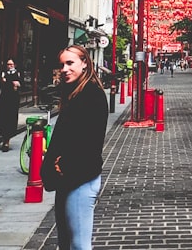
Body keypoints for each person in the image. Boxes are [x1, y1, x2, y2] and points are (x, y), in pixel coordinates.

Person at [41, 44, 109, 250]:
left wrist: (65, 165)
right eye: (62, 64)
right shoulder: (75, 92)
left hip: (79, 179)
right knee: (68, 241)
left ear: (85, 63)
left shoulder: (91, 95)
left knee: (79, 243)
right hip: (71, 178)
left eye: (70, 63)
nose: (64, 69)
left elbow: (89, 141)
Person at [0, 58, 21, 151]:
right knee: (3, 119)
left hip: (13, 100)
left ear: (15, 65)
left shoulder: (18, 74)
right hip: (4, 100)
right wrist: (11, 82)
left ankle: (7, 141)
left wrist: (10, 82)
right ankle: (4, 139)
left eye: (11, 64)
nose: (10, 66)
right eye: (8, 64)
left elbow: (21, 85)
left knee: (10, 120)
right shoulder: (3, 74)